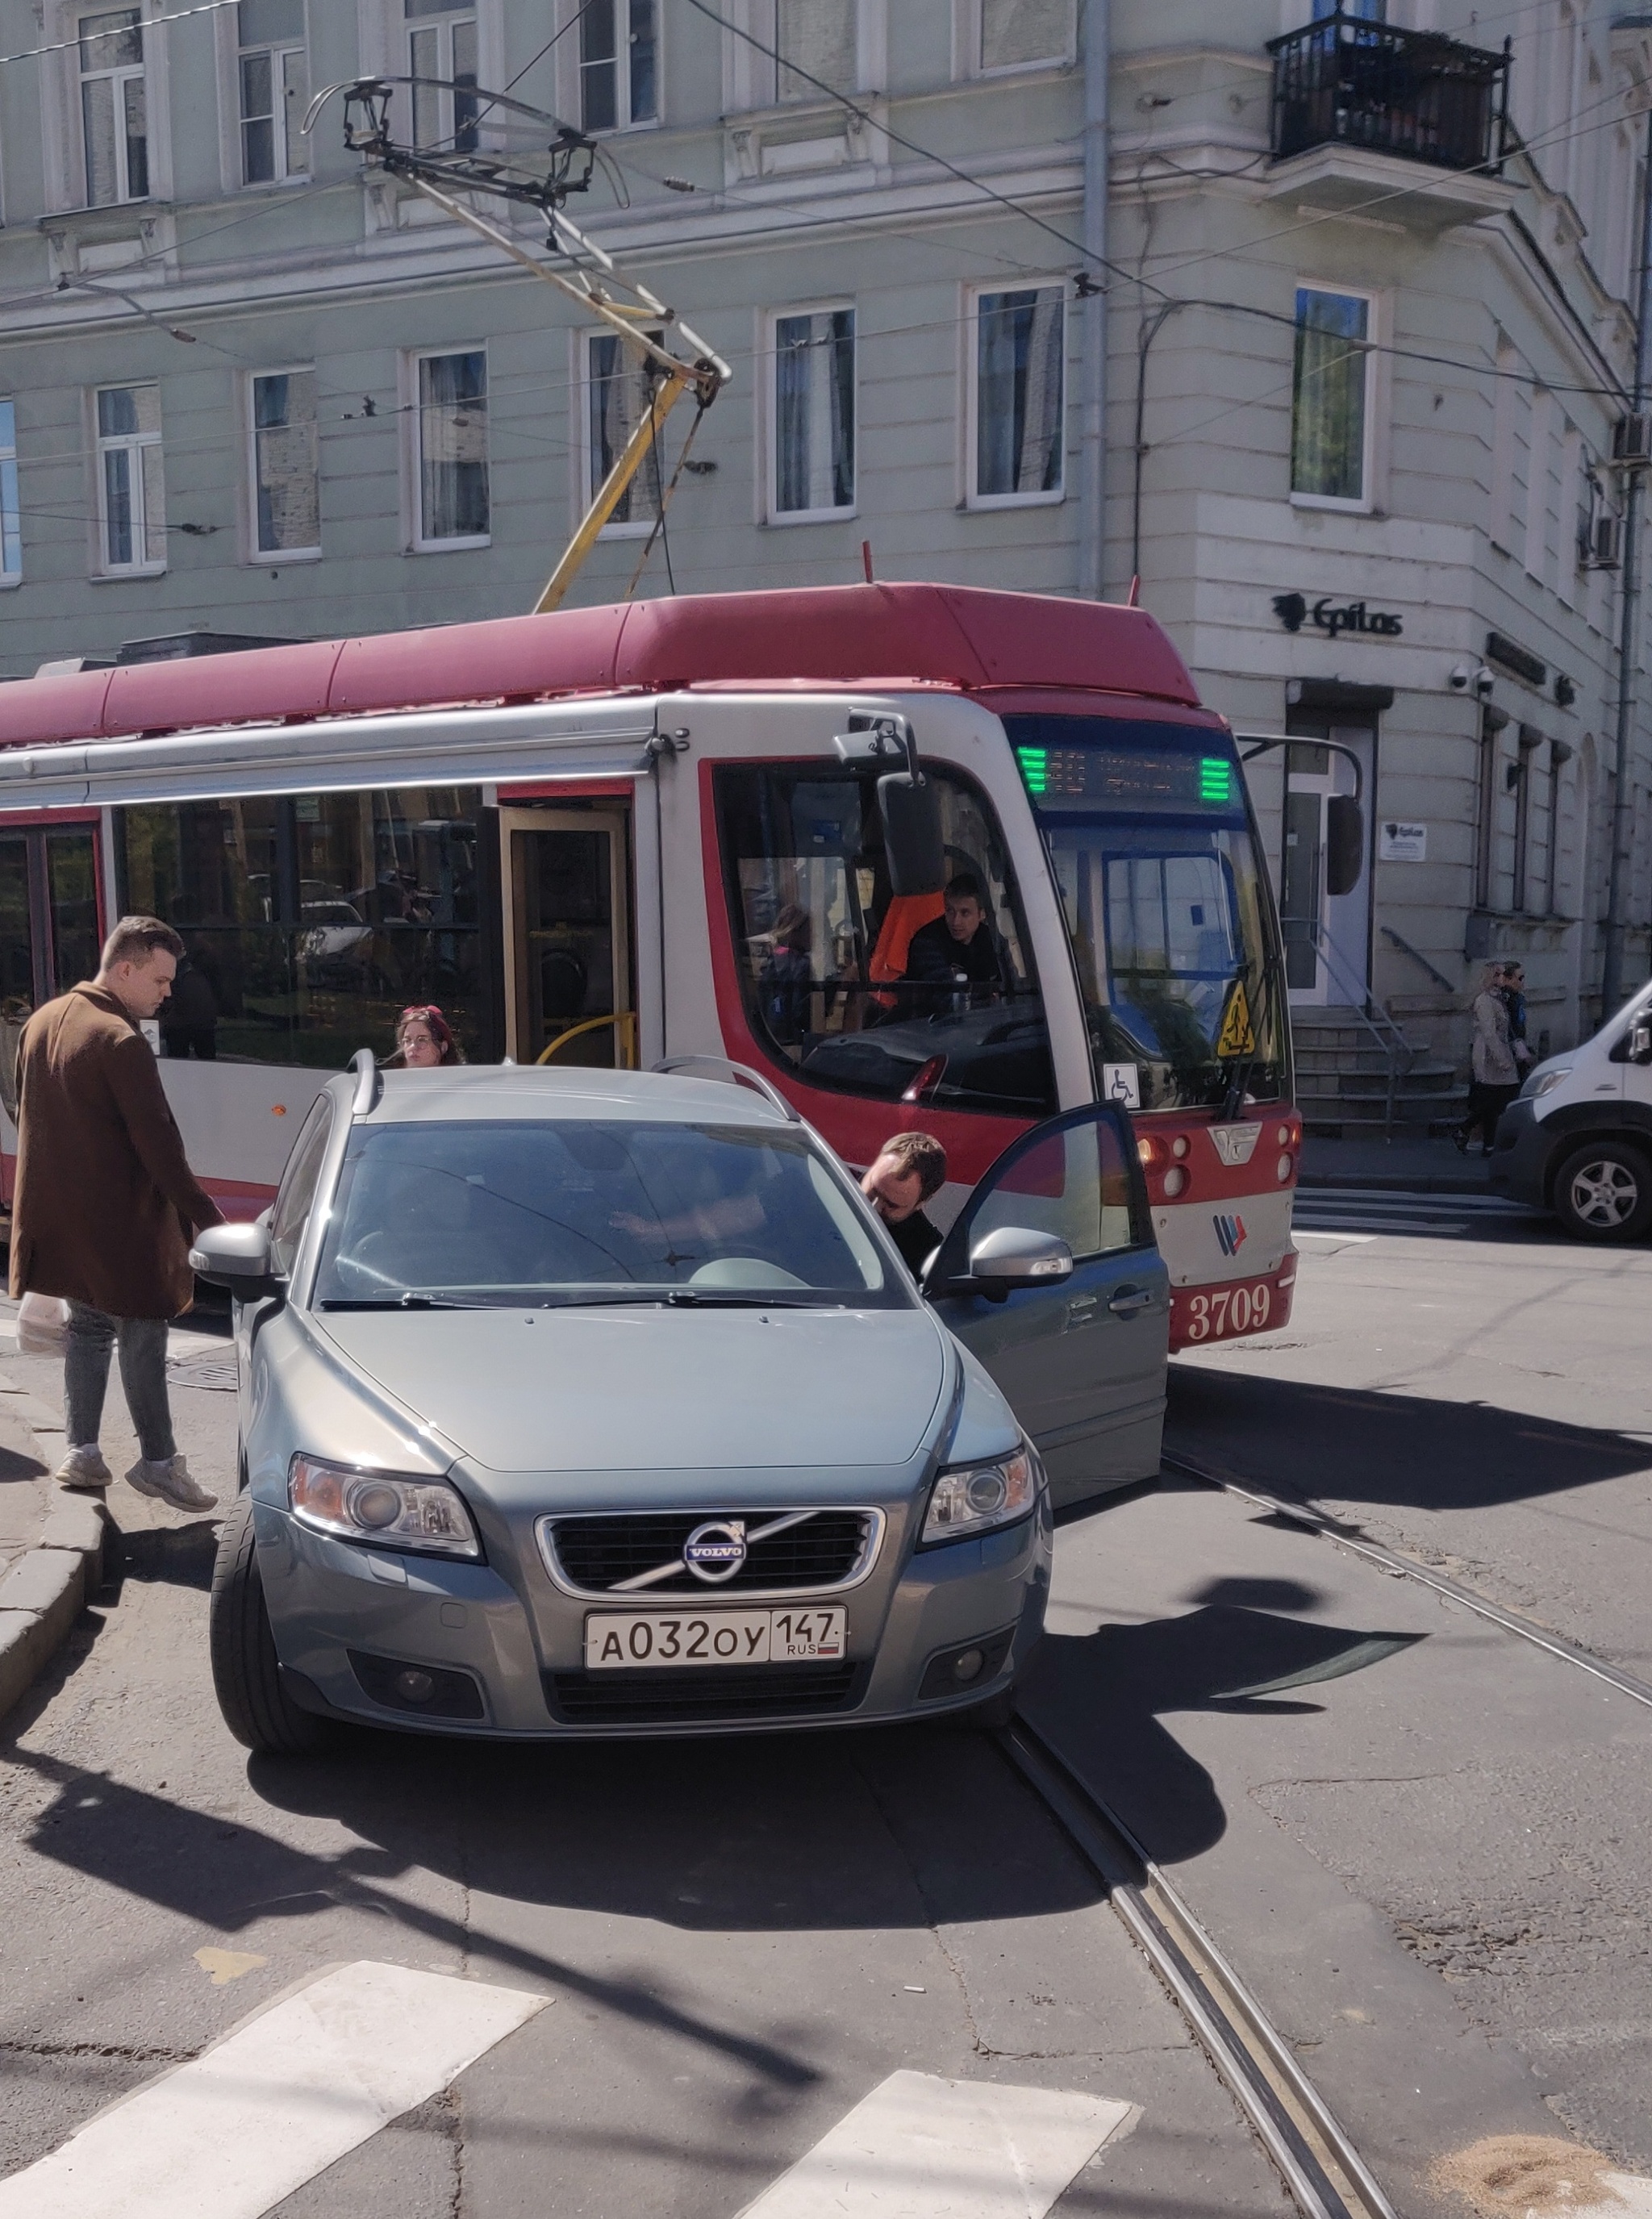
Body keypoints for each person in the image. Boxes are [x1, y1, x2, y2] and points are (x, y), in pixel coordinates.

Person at [10, 916, 223, 1511]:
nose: (168, 992)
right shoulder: (121, 1040)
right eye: (158, 979)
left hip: (62, 1221)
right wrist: (208, 1217)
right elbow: (158, 1143)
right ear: (124, 969)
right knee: (146, 1325)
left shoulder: (43, 1020)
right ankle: (158, 1461)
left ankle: (82, 1450)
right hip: (122, 1225)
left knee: (89, 1327)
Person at [900, 872, 1008, 1016]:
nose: (955, 921)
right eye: (950, 911)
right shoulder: (927, 942)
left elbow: (1011, 988)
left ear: (982, 914)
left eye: (965, 913)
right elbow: (947, 999)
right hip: (930, 1028)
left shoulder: (992, 940)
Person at [861, 1131, 948, 1278]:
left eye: (891, 1205)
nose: (874, 1206)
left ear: (920, 1203)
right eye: (873, 1191)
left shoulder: (926, 1254)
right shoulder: (822, 1184)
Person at [1457, 963, 1521, 1156]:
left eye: (1503, 974)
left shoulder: (1499, 998)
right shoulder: (1484, 1001)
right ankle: (1483, 1140)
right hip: (1489, 1055)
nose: (1502, 978)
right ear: (1490, 977)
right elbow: (1489, 1033)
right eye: (1498, 974)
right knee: (1497, 1099)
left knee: (1495, 1101)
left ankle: (1470, 1133)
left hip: (1499, 1051)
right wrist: (1502, 1060)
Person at [386, 1003, 464, 1068]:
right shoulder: (392, 1084)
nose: (412, 1046)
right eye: (407, 1040)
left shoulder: (459, 1084)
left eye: (422, 1040)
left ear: (443, 1047)